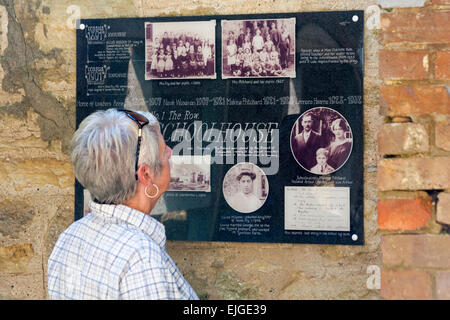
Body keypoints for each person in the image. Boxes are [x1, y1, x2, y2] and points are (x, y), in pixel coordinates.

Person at [48, 108, 199, 300]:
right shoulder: (141, 257)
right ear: (145, 174)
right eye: (163, 150)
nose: (170, 152)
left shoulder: (70, 236)